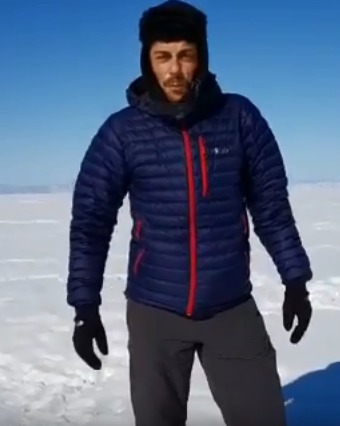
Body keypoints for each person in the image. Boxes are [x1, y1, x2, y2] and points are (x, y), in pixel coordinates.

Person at [66, 1, 313, 425]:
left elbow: (270, 206)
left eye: (185, 55)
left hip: (230, 307)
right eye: (162, 56)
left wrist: (295, 280)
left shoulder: (238, 117)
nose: (174, 70)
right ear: (147, 60)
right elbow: (91, 222)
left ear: (201, 57)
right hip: (154, 313)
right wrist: (84, 306)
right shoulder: (121, 132)